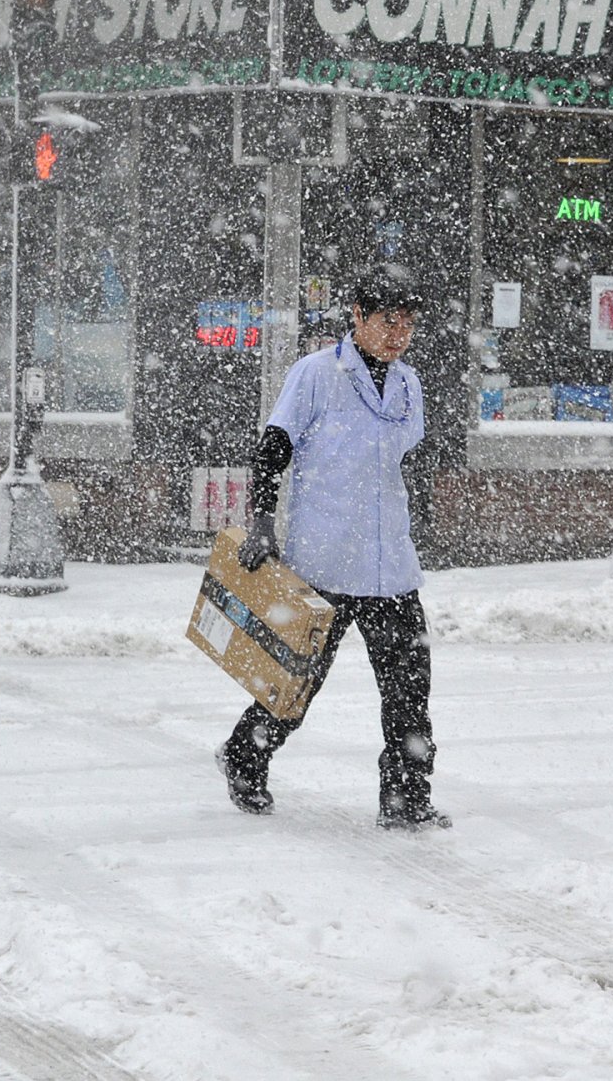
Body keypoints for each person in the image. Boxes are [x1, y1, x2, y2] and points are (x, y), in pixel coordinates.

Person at [217, 261, 450, 830]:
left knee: (409, 690)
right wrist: (264, 522)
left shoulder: (408, 385)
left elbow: (404, 460)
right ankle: (244, 757)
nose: (398, 333)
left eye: (407, 324)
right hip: (324, 561)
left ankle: (406, 798)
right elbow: (274, 446)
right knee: (295, 682)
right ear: (358, 317)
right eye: (387, 320)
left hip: (390, 564)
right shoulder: (317, 374)